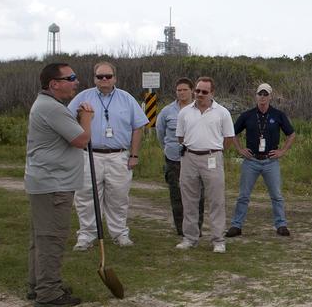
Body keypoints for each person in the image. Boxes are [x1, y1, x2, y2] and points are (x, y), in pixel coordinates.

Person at [25, 62, 90, 307]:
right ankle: (49, 293)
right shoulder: (52, 108)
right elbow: (81, 139)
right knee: (51, 238)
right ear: (54, 84)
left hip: (47, 181)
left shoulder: (48, 106)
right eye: (70, 78)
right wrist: (87, 118)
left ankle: (39, 285)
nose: (76, 82)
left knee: (42, 238)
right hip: (53, 184)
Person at [68, 61, 149, 249]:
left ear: (115, 78)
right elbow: (67, 121)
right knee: (85, 196)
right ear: (94, 78)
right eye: (100, 76)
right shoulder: (83, 97)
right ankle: (87, 235)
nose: (104, 79)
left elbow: (138, 127)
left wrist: (134, 155)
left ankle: (119, 233)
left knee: (118, 197)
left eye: (108, 76)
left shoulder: (126, 99)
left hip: (118, 155)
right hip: (89, 155)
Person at [175, 77, 236, 252]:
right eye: (197, 91)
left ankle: (218, 240)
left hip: (212, 158)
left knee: (216, 200)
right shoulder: (185, 112)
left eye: (204, 92)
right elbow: (180, 137)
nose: (200, 94)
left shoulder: (222, 113)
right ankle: (190, 238)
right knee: (189, 200)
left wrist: (213, 151)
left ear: (212, 93)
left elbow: (228, 139)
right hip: (189, 158)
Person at [227, 83, 296, 238]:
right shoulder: (247, 115)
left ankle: (281, 224)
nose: (262, 97)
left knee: (276, 195)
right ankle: (236, 225)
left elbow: (291, 134)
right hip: (251, 161)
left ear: (270, 96)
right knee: (243, 195)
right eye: (260, 94)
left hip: (270, 161)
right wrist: (240, 149)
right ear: (256, 96)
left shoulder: (278, 115)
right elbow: (232, 133)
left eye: (265, 94)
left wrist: (282, 151)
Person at [154, 78, 202, 238]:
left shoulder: (200, 109)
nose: (181, 93)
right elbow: (160, 133)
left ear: (192, 91)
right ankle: (181, 229)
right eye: (179, 90)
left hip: (195, 158)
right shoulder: (167, 111)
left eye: (185, 90)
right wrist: (168, 148)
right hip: (174, 159)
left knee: (197, 194)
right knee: (176, 194)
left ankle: (196, 227)